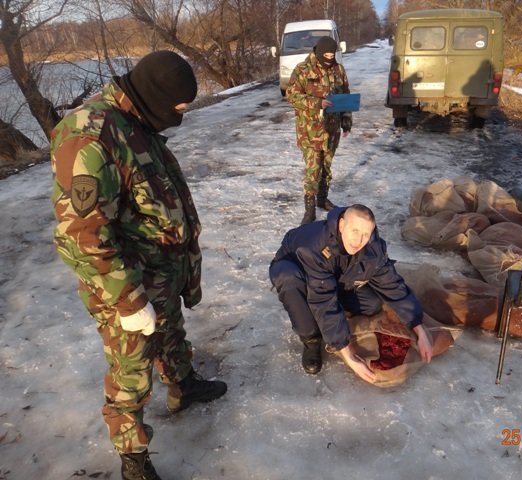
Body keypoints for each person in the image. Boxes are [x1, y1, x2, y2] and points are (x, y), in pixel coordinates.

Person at [50, 50, 227, 480]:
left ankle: (182, 387)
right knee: (131, 369)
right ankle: (133, 459)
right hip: (123, 284)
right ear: (154, 97)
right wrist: (128, 302)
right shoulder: (91, 137)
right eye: (177, 109)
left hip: (158, 272)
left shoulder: (135, 121)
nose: (179, 117)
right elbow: (82, 235)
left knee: (171, 330)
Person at [269, 204, 432, 382]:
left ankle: (336, 318)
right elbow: (323, 300)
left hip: (333, 276)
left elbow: (392, 285)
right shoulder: (315, 247)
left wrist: (419, 328)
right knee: (289, 279)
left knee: (372, 304)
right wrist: (349, 356)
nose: (358, 240)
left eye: (365, 234)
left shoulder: (373, 248)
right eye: (354, 231)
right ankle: (311, 340)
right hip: (297, 270)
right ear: (341, 225)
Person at [286, 36, 352, 225]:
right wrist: (317, 103)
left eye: (333, 54)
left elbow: (346, 95)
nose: (330, 58)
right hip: (310, 130)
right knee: (313, 169)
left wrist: (346, 121)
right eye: (327, 54)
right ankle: (310, 209)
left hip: (332, 129)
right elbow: (292, 96)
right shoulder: (303, 69)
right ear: (319, 52)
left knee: (326, 167)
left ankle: (323, 199)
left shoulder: (338, 69)